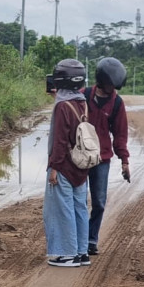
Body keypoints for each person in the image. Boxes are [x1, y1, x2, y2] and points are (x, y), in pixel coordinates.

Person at [44, 59, 92, 267]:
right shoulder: (82, 102)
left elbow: (60, 140)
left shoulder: (62, 106)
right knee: (79, 208)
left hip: (63, 165)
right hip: (81, 165)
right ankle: (82, 252)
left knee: (62, 209)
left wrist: (54, 167)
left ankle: (67, 254)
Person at [83, 57, 130, 256]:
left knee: (99, 202)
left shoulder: (117, 103)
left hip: (101, 159)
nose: (113, 88)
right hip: (80, 156)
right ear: (102, 81)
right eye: (111, 84)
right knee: (77, 202)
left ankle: (91, 240)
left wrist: (124, 161)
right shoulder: (83, 95)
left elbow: (120, 134)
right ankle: (77, 240)